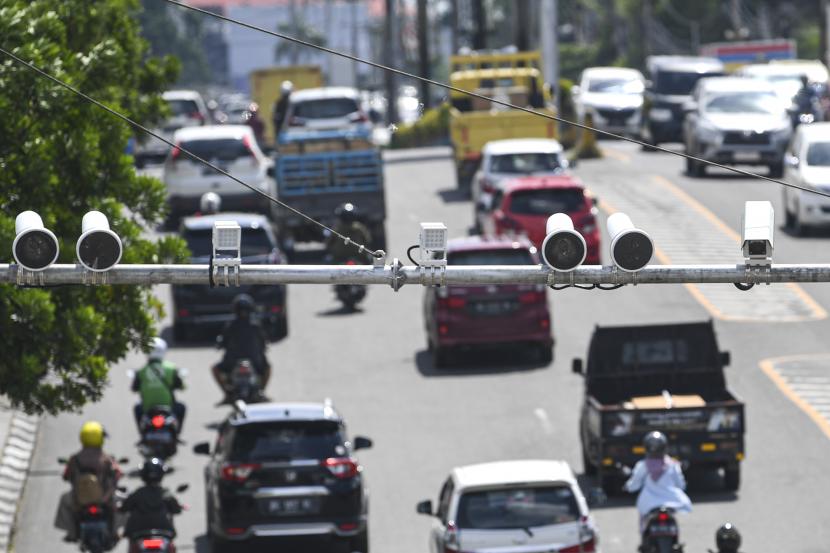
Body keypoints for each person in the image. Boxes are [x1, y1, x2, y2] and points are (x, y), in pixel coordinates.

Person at [54, 421, 123, 542]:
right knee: (121, 502)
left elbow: (66, 476)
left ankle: (72, 533)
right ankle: (115, 532)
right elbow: (118, 473)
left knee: (64, 499)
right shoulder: (106, 459)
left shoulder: (75, 459)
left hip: (79, 500)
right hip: (104, 499)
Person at [623, 431, 692, 534]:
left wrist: (627, 487)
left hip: (648, 504)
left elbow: (634, 485)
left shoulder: (642, 465)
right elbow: (680, 485)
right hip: (672, 501)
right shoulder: (673, 464)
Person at [213, 294, 271, 398]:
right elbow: (263, 341)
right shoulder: (256, 325)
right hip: (254, 361)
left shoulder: (231, 325)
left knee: (215, 369)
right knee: (268, 368)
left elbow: (222, 341)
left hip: (233, 361)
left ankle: (227, 394)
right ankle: (261, 392)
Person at [132, 337, 186, 433]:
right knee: (181, 407)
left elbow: (134, 388)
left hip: (147, 408)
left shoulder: (141, 371)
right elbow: (181, 386)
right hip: (169, 407)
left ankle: (142, 434)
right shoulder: (171, 368)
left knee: (137, 408)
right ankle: (177, 434)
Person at [121, 458, 183, 541]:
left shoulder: (138, 493)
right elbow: (176, 510)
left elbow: (125, 507)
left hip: (138, 532)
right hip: (163, 532)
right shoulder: (165, 493)